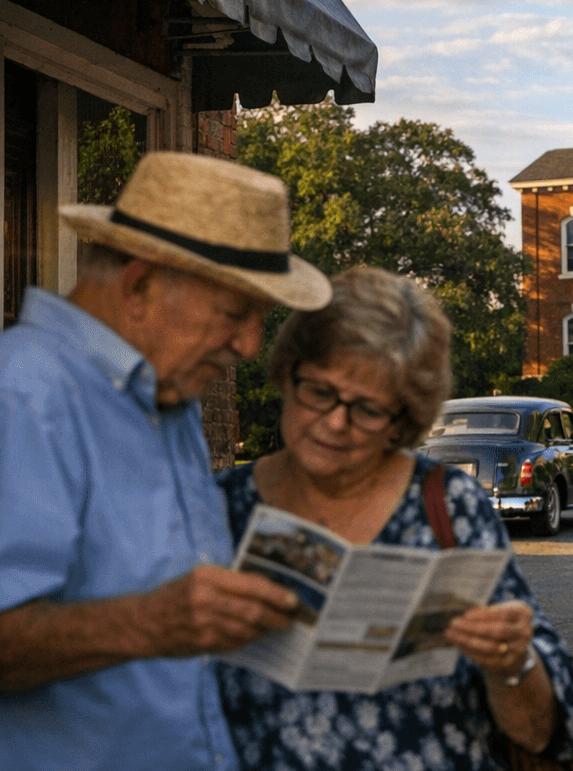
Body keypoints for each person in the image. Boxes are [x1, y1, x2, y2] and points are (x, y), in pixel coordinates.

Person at [0, 152, 330, 771]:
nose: (251, 345)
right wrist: (150, 622)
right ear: (140, 285)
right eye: (235, 313)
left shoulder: (166, 399)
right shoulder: (22, 393)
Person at [215, 267, 573, 769]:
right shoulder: (216, 506)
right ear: (287, 374)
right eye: (319, 392)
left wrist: (512, 663)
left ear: (406, 417)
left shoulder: (449, 504)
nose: (334, 423)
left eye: (368, 409)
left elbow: (546, 731)